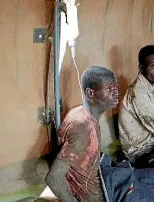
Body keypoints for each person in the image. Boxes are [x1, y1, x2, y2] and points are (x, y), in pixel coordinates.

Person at [45, 66, 119, 202]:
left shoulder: (81, 112)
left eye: (116, 88)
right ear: (90, 93)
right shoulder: (82, 130)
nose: (115, 93)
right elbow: (53, 178)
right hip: (92, 195)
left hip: (94, 181)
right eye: (109, 89)